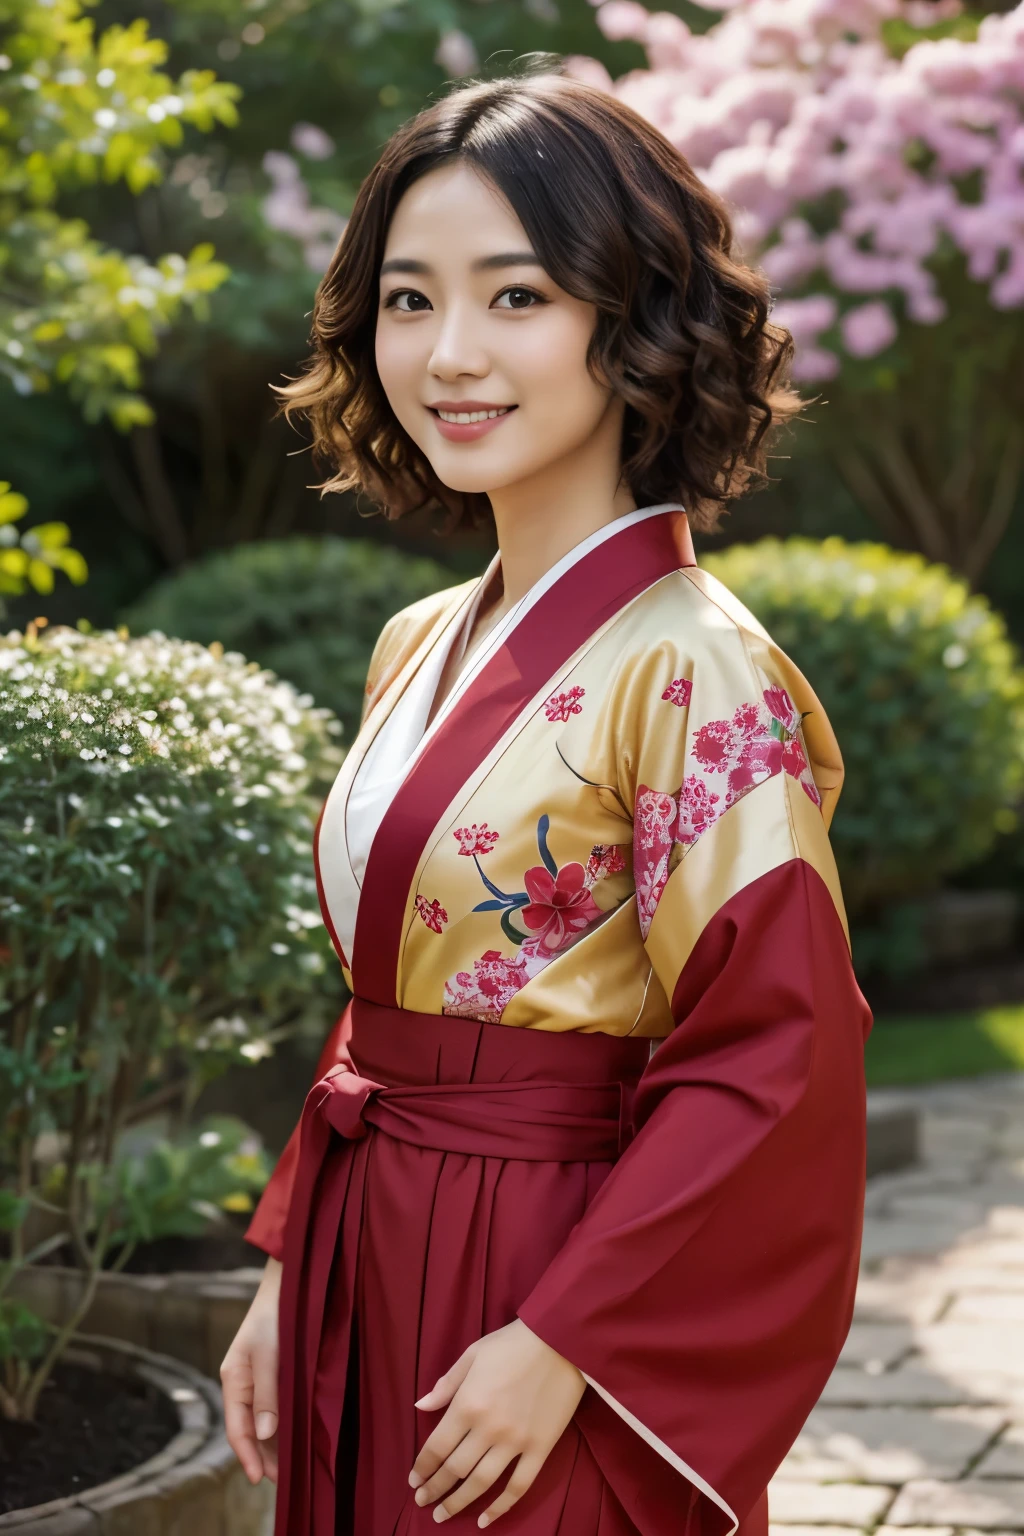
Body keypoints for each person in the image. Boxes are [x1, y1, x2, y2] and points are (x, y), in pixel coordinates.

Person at [219, 65, 872, 1536]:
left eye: (515, 297)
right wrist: (285, 1264)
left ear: (629, 319)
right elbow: (392, 994)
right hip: (368, 1236)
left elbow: (777, 1055)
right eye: (408, 300)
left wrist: (570, 1338)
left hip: (548, 1271)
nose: (448, 352)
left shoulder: (699, 671)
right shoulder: (420, 640)